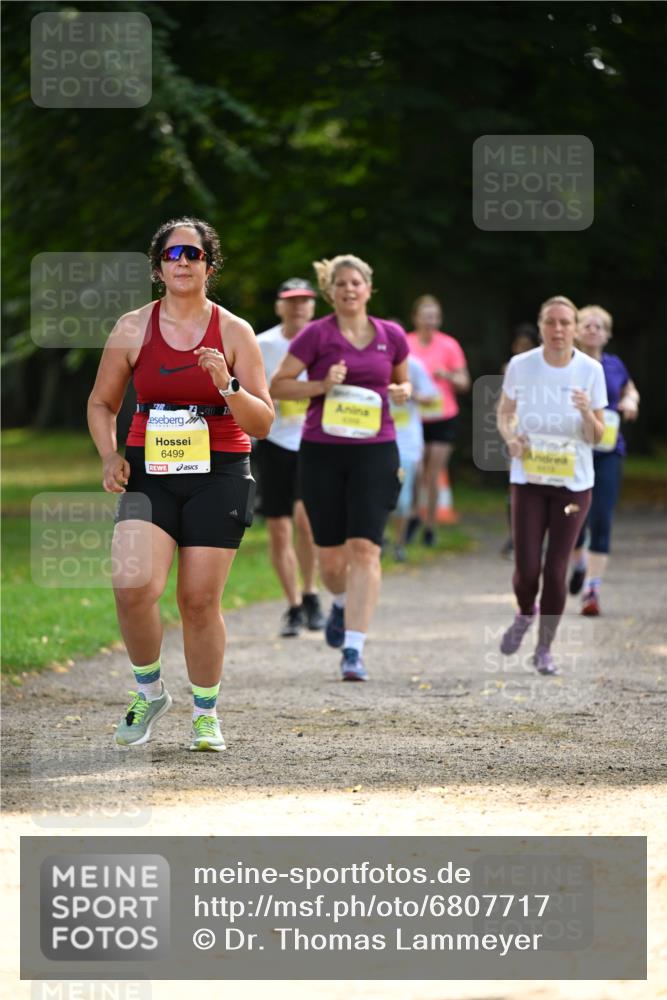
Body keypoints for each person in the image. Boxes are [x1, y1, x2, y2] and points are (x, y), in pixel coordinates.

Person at [87, 217, 273, 751]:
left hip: (219, 471)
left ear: (209, 266)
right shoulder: (131, 328)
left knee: (197, 600)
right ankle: (149, 692)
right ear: (158, 267)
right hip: (152, 470)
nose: (184, 262)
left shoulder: (235, 331)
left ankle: (206, 713)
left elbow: (262, 422)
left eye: (194, 254)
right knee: (133, 587)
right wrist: (108, 455)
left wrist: (227, 384)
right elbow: (102, 403)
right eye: (174, 254)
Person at [269, 254, 410, 681]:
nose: (350, 290)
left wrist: (402, 391)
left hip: (376, 450)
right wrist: (321, 385)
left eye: (356, 283)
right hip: (322, 452)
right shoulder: (316, 335)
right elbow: (278, 384)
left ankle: (354, 649)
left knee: (366, 549)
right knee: (331, 563)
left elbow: (401, 382)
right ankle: (341, 602)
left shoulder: (392, 334)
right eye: (342, 284)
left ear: (369, 289)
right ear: (331, 292)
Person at [496, 295, 607, 675]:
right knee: (527, 569)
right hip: (528, 479)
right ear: (541, 325)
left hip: (573, 484)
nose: (558, 330)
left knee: (556, 567)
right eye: (550, 322)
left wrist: (584, 412)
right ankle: (526, 612)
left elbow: (597, 436)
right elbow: (505, 415)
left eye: (565, 323)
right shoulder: (520, 366)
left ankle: (544, 648)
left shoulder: (590, 370)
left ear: (575, 328)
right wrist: (511, 439)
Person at [256, 278, 325, 636]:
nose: (298, 307)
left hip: (312, 442)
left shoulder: (326, 340)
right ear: (280, 307)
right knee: (279, 528)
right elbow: (249, 391)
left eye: (304, 301)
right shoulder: (262, 344)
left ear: (312, 307)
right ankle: (293, 605)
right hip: (274, 443)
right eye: (291, 301)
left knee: (306, 521)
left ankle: (312, 594)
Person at [568, 305, 640, 615]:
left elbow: (630, 388)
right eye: (587, 324)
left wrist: (630, 400)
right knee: (571, 516)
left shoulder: (614, 365)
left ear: (607, 334)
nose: (593, 329)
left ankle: (592, 591)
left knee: (601, 517)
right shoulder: (566, 364)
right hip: (572, 451)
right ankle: (578, 563)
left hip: (609, 451)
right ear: (575, 330)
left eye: (600, 326)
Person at [406, 295, 470, 546]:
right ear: (416, 318)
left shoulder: (449, 345)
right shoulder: (406, 343)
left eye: (435, 316)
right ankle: (413, 516)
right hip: (413, 415)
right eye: (426, 315)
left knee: (433, 473)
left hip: (443, 415)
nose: (430, 321)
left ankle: (430, 525)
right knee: (416, 470)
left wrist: (448, 375)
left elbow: (465, 382)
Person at [389, 354, 439, 561]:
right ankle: (378, 539)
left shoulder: (414, 365)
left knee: (402, 497)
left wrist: (408, 393)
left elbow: (433, 399)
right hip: (371, 440)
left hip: (406, 444)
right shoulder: (365, 360)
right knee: (372, 494)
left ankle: (398, 545)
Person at [499, 322, 541, 558]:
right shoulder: (510, 368)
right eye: (518, 345)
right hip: (515, 432)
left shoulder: (544, 368)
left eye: (526, 346)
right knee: (515, 486)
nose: (521, 349)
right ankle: (515, 536)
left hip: (539, 433)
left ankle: (536, 536)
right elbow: (503, 404)